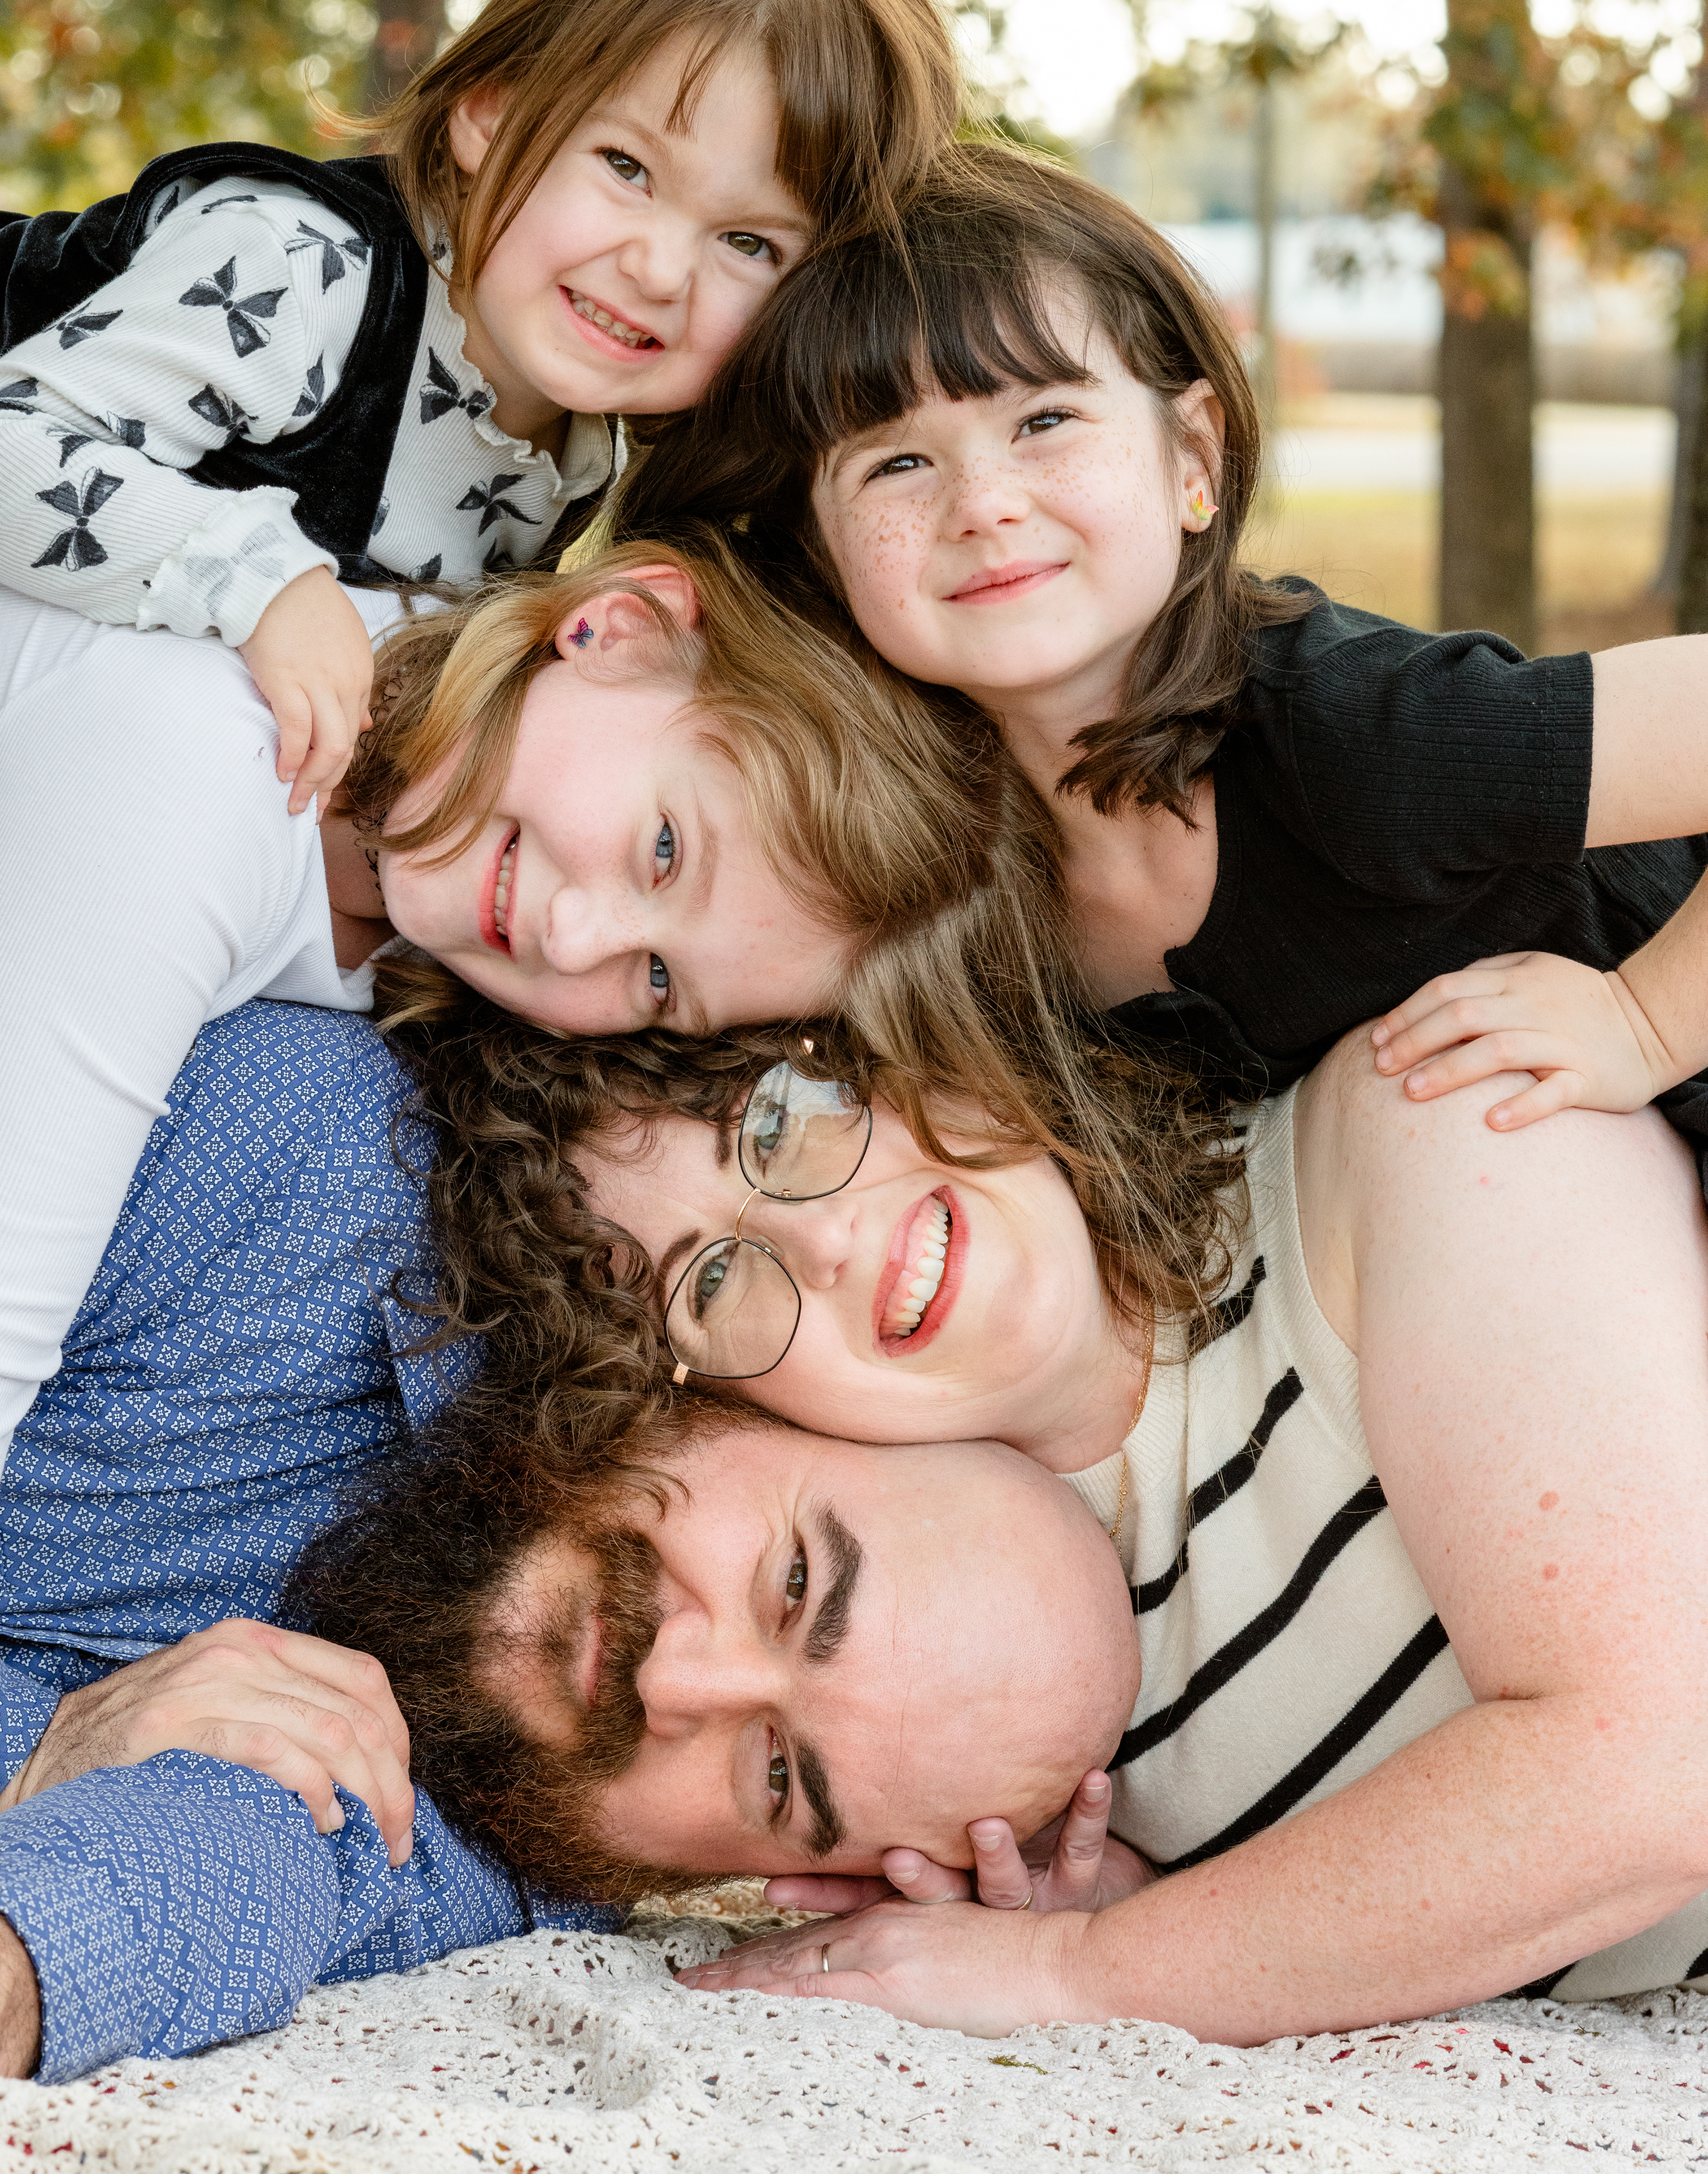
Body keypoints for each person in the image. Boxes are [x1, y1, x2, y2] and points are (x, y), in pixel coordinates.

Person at [401, 1004, 1708, 2039]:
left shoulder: (1420, 1130)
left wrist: (1092, 1966)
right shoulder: (966, 1666)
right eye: (719, 1283)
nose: (830, 1242)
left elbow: (1659, 1770)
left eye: (788, 1121)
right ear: (700, 1413)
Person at [0, 1001, 1136, 2082]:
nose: (676, 1680)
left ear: (780, 1877)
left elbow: (215, 1874)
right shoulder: (310, 1177)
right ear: (746, 1410)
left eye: (778, 1774)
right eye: (793, 1582)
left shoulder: (499, 1835)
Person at [610, 143, 1708, 1146]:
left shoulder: (1352, 733)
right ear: (824, 554)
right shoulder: (945, 856)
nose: (984, 505)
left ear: (1192, 458)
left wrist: (1642, 1022)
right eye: (895, 465)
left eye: (1043, 423)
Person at [0, 532, 1055, 1466]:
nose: (573, 938)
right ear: (618, 629)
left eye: (658, 983)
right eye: (665, 849)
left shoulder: (406, 858)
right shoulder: (192, 787)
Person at [0, 0, 959, 814]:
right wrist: (258, 585)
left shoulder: (581, 441)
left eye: (749, 241)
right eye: (628, 166)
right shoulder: (297, 270)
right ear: (492, 108)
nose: (661, 270)